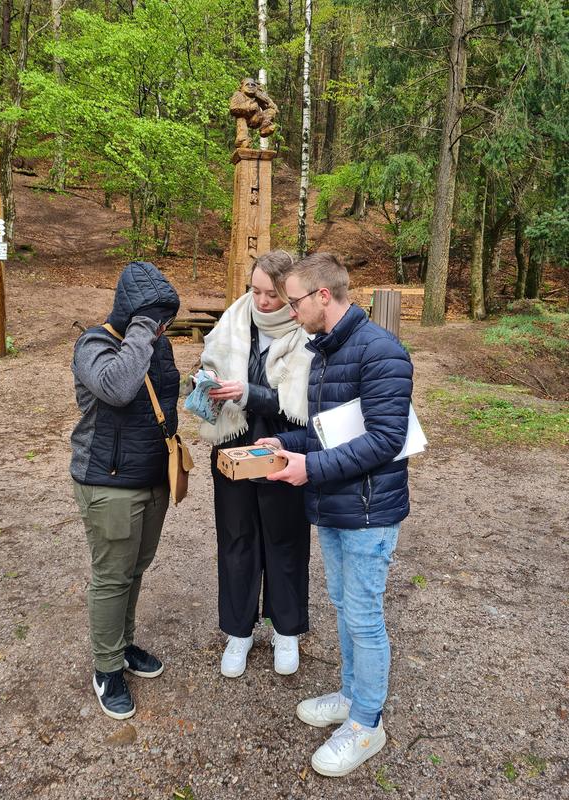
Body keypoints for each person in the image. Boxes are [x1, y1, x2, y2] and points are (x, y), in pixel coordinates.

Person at [258, 252, 413, 777]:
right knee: (345, 605)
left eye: (295, 300)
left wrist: (310, 468)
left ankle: (367, 724)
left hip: (370, 509)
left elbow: (387, 440)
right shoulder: (324, 353)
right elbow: (328, 434)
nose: (289, 310)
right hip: (334, 503)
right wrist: (284, 442)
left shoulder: (382, 352)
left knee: (365, 617)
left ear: (323, 295)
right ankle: (350, 696)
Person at [70, 260, 180, 720]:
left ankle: (123, 644)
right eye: (157, 317)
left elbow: (163, 397)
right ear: (134, 313)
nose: (163, 327)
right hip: (108, 482)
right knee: (112, 576)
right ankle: (106, 668)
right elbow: (117, 388)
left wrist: (202, 390)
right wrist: (141, 330)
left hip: (153, 477)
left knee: (135, 568)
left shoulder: (157, 342)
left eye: (165, 319)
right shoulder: (93, 344)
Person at [199, 250, 312, 679]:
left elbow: (304, 403)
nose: (262, 302)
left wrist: (249, 393)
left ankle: (286, 630)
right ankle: (238, 632)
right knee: (236, 540)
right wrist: (206, 385)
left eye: (272, 295)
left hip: (284, 447)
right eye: (255, 290)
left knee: (285, 541)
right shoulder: (234, 318)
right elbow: (210, 362)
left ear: (290, 294)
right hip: (233, 446)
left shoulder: (306, 330)